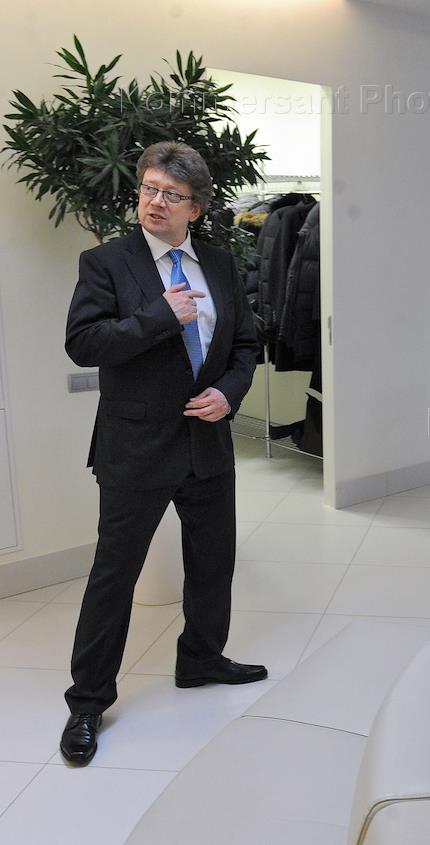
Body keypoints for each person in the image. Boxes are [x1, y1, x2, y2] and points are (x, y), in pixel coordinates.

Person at [59, 141, 266, 766]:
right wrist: (158, 317)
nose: (155, 202)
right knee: (114, 575)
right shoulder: (106, 262)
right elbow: (83, 343)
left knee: (213, 563)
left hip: (207, 441)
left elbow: (246, 346)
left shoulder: (220, 265)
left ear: (195, 208)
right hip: (135, 446)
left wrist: (229, 394)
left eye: (171, 195)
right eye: (148, 189)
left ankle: (201, 659)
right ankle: (87, 702)